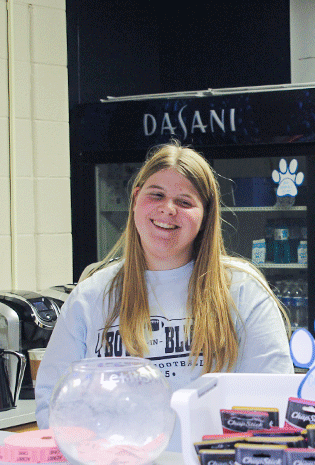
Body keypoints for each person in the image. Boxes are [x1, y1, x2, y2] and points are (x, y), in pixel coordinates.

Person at [35, 141, 294, 432]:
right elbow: (53, 403)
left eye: (185, 202)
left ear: (205, 214)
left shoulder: (243, 290)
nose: (167, 209)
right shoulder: (91, 296)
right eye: (156, 195)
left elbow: (273, 397)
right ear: (135, 200)